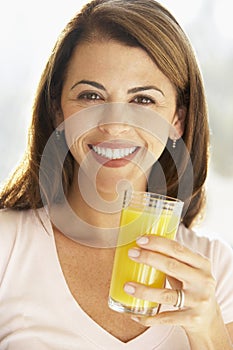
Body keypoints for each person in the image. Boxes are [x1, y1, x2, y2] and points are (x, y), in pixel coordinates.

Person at [0, 0, 233, 349]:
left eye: (143, 101)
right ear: (58, 111)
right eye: (91, 96)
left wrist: (208, 330)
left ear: (177, 122)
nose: (114, 125)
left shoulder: (217, 270)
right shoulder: (7, 247)